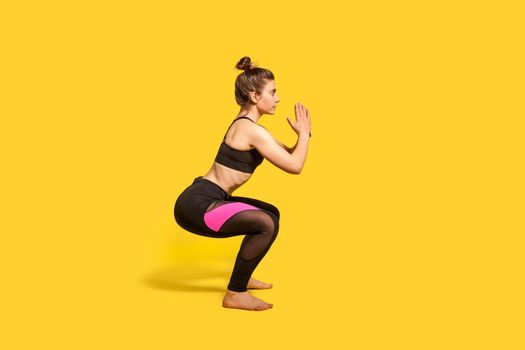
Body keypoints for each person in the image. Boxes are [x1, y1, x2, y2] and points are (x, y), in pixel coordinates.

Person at [174, 56, 311, 311]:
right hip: (197, 206)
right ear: (254, 96)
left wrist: (302, 138)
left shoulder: (251, 129)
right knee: (266, 223)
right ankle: (235, 293)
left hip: (210, 197)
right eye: (273, 92)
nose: (278, 98)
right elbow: (296, 166)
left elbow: (290, 155)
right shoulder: (252, 131)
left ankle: (243, 279)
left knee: (271, 213)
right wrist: (305, 134)